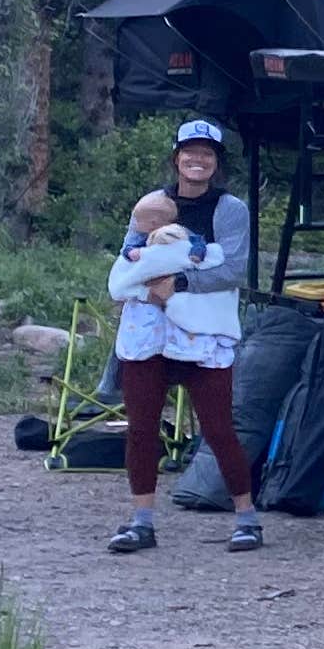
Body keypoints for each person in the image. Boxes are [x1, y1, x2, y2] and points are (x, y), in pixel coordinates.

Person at [107, 119, 262, 554]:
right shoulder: (151, 205)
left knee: (218, 426)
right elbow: (128, 259)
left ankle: (247, 518)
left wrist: (180, 284)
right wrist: (148, 285)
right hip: (150, 331)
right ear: (177, 158)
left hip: (202, 331)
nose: (198, 160)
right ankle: (141, 521)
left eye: (206, 153)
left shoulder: (230, 209)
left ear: (216, 162)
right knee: (142, 427)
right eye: (190, 152)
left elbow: (232, 268)